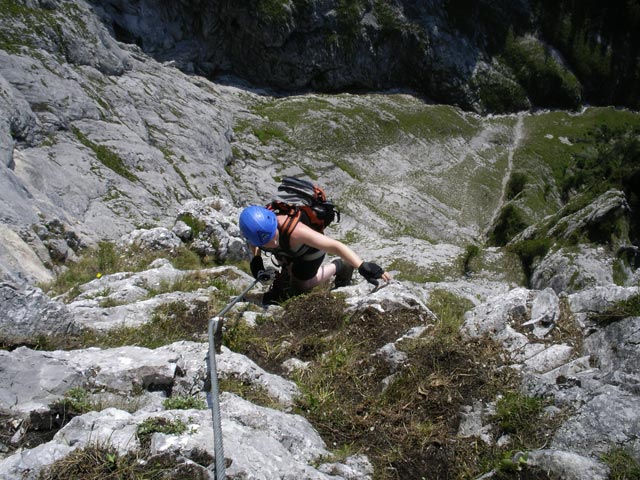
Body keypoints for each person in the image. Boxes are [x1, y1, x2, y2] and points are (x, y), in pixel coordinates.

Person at [239, 205, 391, 304]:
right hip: (290, 252)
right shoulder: (256, 235)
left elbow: (335, 245)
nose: (273, 242)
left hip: (310, 251)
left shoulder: (296, 232)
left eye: (273, 235)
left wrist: (362, 266)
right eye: (266, 241)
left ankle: (340, 266)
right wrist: (257, 263)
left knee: (302, 287)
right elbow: (255, 247)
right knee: (286, 286)